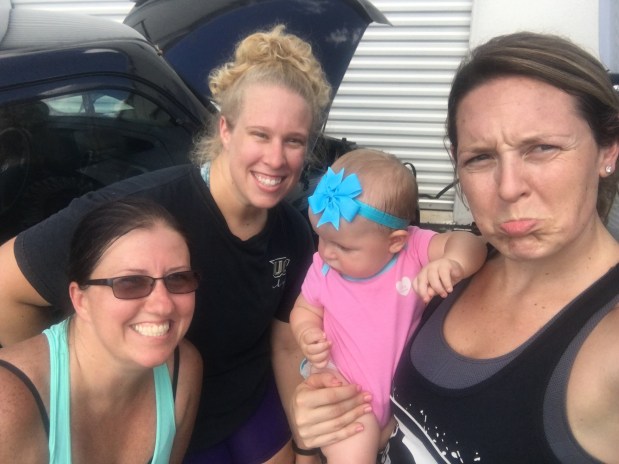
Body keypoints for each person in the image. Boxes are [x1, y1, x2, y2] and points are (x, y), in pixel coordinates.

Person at [0, 25, 331, 463]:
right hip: (157, 420)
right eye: (260, 134)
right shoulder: (141, 214)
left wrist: (306, 442)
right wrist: (65, 392)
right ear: (226, 129)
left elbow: (286, 341)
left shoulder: (293, 232)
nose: (276, 158)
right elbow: (5, 286)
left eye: (294, 141)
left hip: (251, 405)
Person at [290, 32, 619, 463]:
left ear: (608, 150)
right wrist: (314, 430)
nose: (509, 187)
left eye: (542, 148)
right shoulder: (449, 273)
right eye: (480, 157)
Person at [289, 148, 487, 463]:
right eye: (321, 238)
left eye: (343, 246)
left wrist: (453, 262)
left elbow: (470, 244)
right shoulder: (323, 270)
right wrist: (306, 333)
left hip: (401, 395)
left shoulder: (412, 249)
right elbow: (304, 309)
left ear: (395, 241)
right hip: (347, 395)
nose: (326, 252)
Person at [0, 197, 202, 463]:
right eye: (130, 283)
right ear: (80, 299)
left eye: (178, 278)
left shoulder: (184, 370)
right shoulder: (8, 406)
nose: (163, 305)